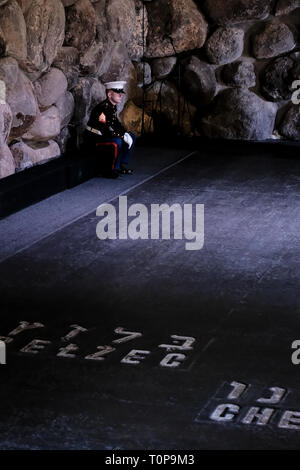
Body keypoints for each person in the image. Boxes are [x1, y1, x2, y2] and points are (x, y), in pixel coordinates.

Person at [84, 81, 136, 178]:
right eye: (118, 93)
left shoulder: (112, 107)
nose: (121, 95)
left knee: (132, 136)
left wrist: (125, 133)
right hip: (95, 137)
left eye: (121, 93)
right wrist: (121, 136)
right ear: (109, 94)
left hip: (103, 134)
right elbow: (104, 130)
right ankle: (110, 170)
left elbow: (116, 124)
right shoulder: (102, 108)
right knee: (118, 141)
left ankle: (120, 165)